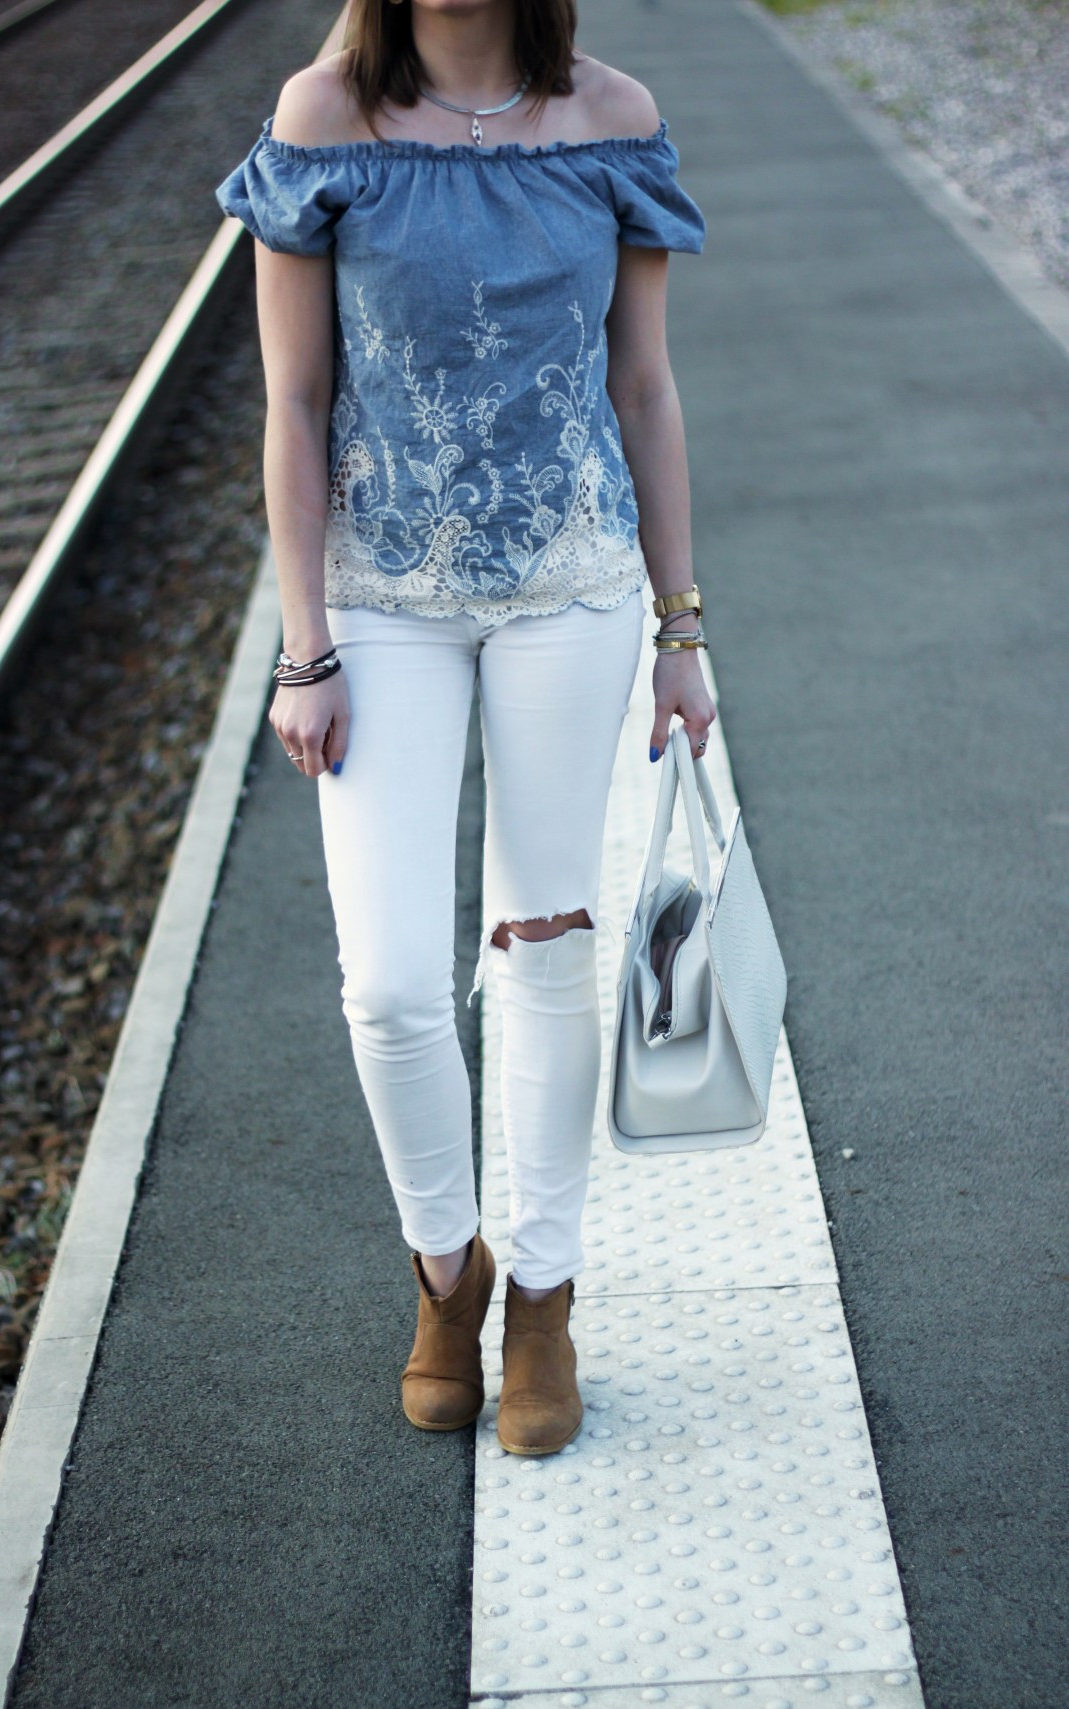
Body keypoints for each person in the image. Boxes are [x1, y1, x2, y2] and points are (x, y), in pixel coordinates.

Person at [216, 0, 713, 1457]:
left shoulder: (612, 120)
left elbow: (643, 386)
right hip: (379, 597)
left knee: (545, 949)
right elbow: (294, 403)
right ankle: (450, 1271)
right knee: (388, 987)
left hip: (571, 586)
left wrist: (682, 630)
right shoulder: (321, 124)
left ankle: (543, 1293)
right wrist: (304, 646)